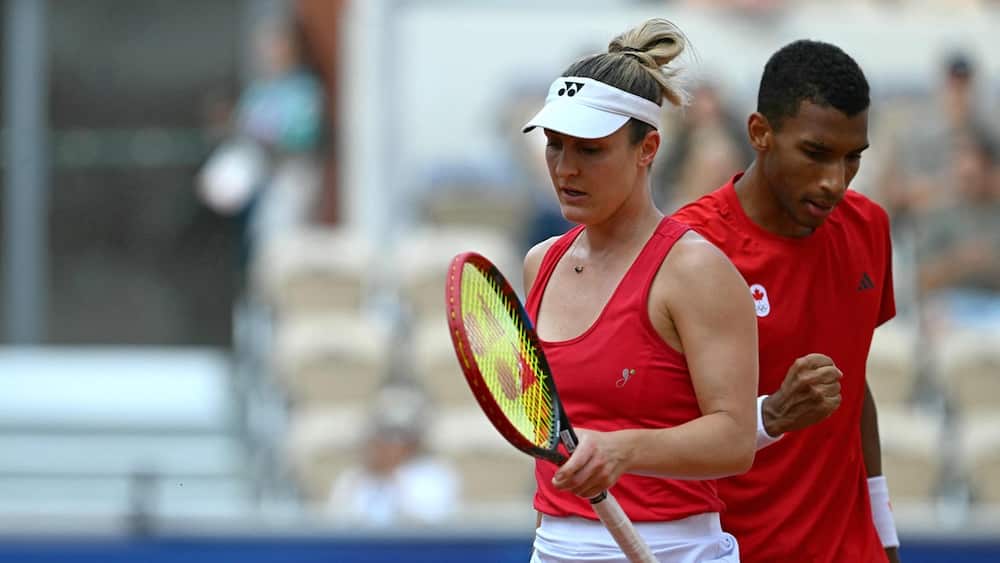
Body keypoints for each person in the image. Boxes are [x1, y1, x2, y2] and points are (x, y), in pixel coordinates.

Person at [520, 18, 758, 563]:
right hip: (554, 546)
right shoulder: (541, 263)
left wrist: (621, 448)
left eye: (591, 150)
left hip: (674, 549)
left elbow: (734, 440)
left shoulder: (695, 270)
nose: (565, 168)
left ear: (647, 147)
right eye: (555, 146)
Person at [672, 40, 899, 562]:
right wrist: (769, 414)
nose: (834, 182)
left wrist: (885, 535)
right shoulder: (687, 250)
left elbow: (852, 381)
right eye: (816, 154)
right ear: (760, 133)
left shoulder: (869, 228)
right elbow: (663, 428)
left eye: (852, 159)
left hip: (853, 550)